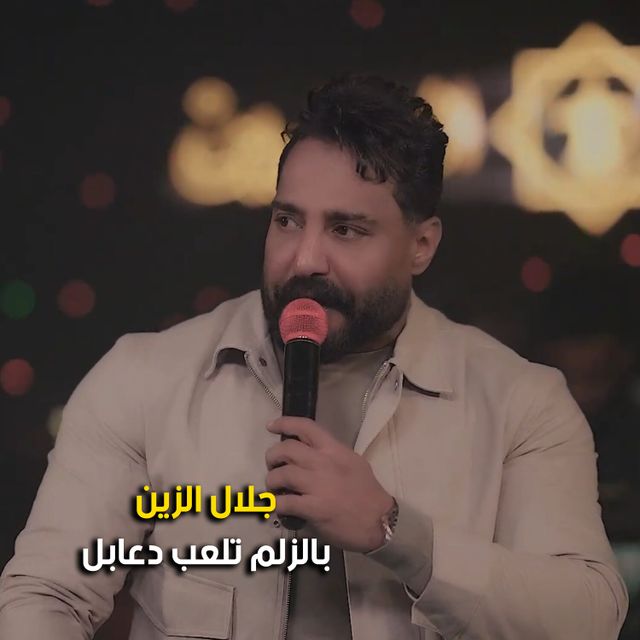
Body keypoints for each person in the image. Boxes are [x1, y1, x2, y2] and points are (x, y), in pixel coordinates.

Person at [0, 75, 629, 639]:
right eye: (287, 221)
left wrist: (394, 530)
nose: (304, 260)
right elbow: (47, 594)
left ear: (421, 245)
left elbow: (588, 617)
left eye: (346, 229)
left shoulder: (521, 403)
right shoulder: (143, 378)